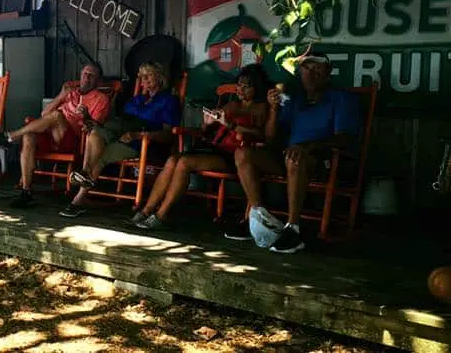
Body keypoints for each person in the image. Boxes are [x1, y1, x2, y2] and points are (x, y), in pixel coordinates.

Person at [229, 53, 359, 254]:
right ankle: (259, 219)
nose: (312, 74)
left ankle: (293, 229)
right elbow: (271, 137)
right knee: (243, 154)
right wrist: (273, 109)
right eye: (307, 69)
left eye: (317, 69)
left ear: (328, 73)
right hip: (287, 156)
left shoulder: (341, 97)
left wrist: (307, 146)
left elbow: (344, 138)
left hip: (320, 159)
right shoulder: (295, 99)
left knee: (294, 158)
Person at [130, 64, 270, 230]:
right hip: (214, 149)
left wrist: (231, 125)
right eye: (239, 85)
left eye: (246, 86)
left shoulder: (260, 108)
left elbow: (261, 134)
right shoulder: (232, 105)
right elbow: (206, 132)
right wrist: (207, 123)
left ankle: (161, 215)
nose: (241, 90)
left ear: (257, 88)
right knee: (173, 160)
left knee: (184, 163)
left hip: (235, 156)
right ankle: (147, 210)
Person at [60, 62, 181, 218]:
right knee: (94, 131)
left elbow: (168, 134)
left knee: (100, 155)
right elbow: (119, 121)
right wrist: (90, 119)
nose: (144, 80)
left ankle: (78, 199)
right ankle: (84, 174)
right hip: (119, 133)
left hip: (141, 142)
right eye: (142, 77)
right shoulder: (137, 100)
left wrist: (139, 135)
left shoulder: (169, 101)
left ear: (160, 77)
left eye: (148, 75)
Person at [0, 64, 111, 208]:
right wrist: (61, 95)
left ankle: (10, 137)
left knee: (56, 115)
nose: (87, 77)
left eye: (91, 75)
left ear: (98, 81)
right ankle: (26, 192)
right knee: (29, 136)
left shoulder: (101, 99)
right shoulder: (70, 93)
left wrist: (86, 116)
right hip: (51, 135)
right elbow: (44, 114)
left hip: (73, 140)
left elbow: (96, 128)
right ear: (80, 75)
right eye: (85, 73)